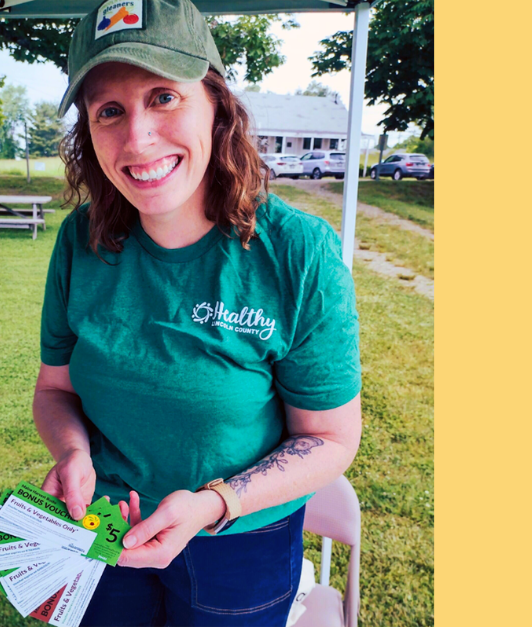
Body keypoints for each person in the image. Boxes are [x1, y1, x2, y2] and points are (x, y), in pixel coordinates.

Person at [33, 1, 362, 624]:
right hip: (106, 525)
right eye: (110, 111)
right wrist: (73, 452)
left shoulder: (297, 252)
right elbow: (55, 390)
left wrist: (213, 504)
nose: (137, 138)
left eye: (163, 97)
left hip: (241, 544)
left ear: (217, 105)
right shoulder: (82, 240)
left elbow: (330, 437)